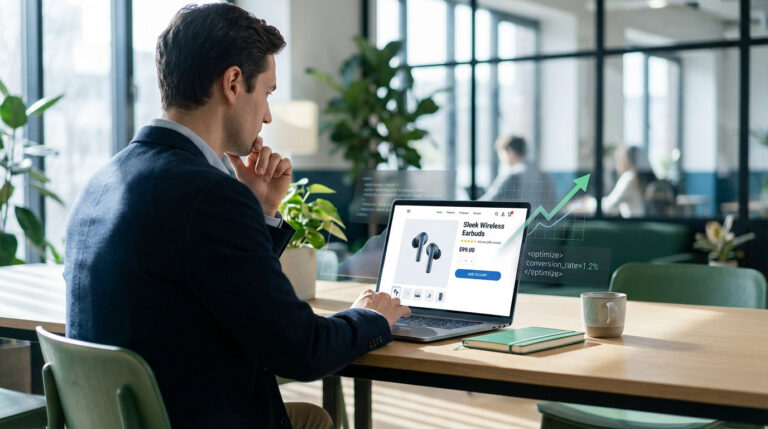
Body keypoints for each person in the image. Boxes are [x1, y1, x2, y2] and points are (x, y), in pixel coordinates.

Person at [63, 4, 410, 429]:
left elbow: (214, 293)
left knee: (311, 419)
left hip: (134, 417)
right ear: (232, 83)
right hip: (200, 416)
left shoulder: (100, 182)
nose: (266, 114)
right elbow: (303, 351)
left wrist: (259, 211)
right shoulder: (209, 196)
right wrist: (373, 316)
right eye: (267, 93)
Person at [479, 135, 555, 209]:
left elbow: (486, 202)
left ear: (509, 151)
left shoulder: (512, 175)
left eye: (500, 153)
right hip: (542, 221)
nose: (500, 158)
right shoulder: (544, 175)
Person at [602, 144, 645, 217]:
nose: (616, 165)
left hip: (634, 225)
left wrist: (589, 203)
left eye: (617, 160)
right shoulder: (639, 177)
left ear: (625, 161)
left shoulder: (628, 178)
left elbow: (609, 206)